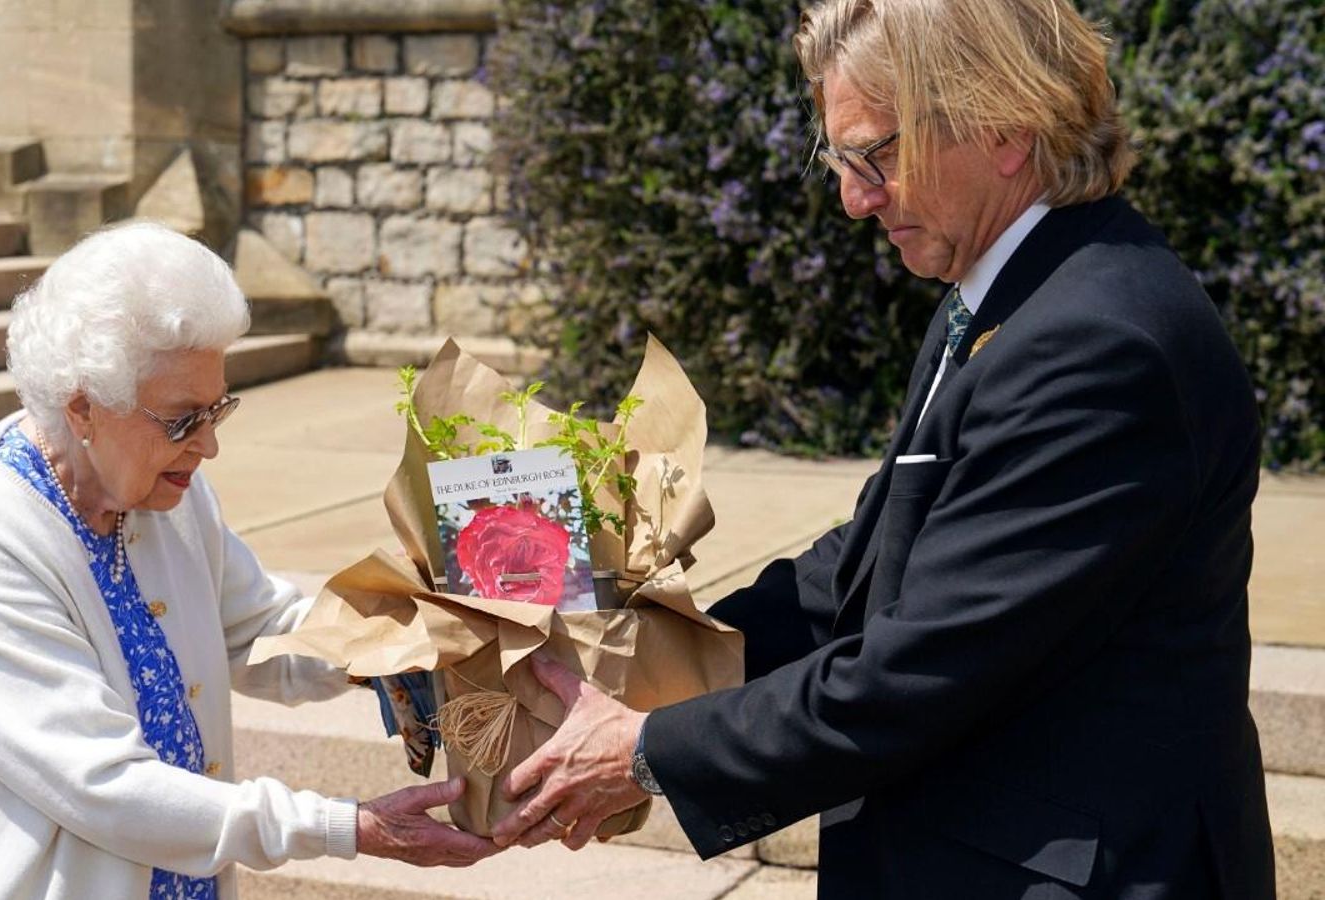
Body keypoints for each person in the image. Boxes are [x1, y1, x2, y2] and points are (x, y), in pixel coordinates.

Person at [489, 1, 1276, 896]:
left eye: (876, 155)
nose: (854, 198)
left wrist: (646, 749)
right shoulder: (1010, 292)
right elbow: (867, 568)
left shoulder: (1095, 342)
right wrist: (646, 653)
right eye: (841, 160)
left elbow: (918, 666)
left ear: (1005, 126)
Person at [0, 222, 497, 899]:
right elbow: (105, 786)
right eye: (182, 420)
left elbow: (261, 628)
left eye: (218, 410)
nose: (208, 449)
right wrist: (342, 827)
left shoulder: (158, 490)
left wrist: (410, 630)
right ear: (84, 407)